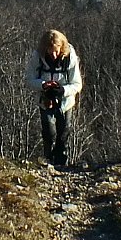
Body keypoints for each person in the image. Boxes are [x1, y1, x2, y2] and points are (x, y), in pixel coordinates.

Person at [26, 29, 82, 166]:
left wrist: (62, 90)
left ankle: (61, 162)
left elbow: (77, 84)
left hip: (65, 101)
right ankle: (48, 160)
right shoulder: (37, 57)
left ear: (62, 46)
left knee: (63, 133)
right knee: (49, 132)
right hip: (45, 100)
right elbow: (28, 80)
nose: (54, 55)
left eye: (57, 50)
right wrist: (44, 85)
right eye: (50, 51)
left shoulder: (70, 57)